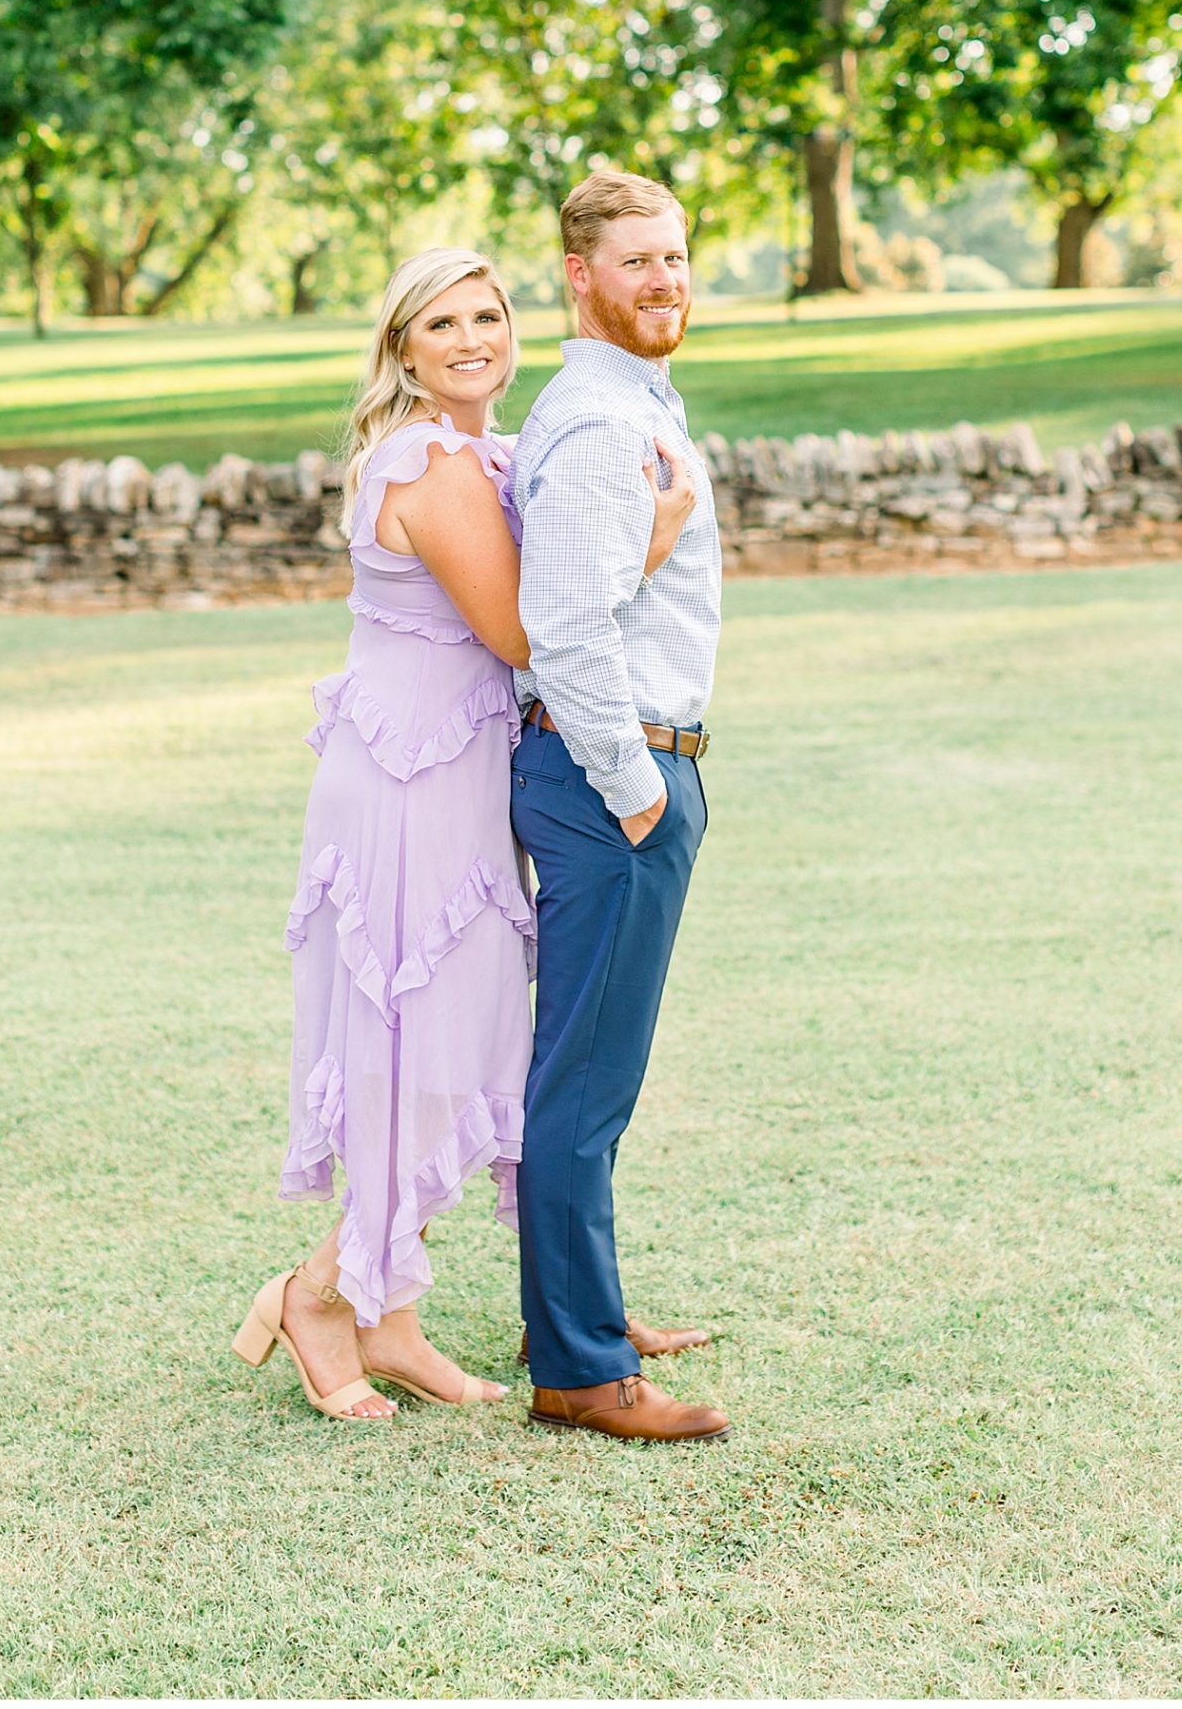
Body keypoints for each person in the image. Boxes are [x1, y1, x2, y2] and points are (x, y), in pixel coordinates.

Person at [234, 247, 693, 1422]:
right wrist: (653, 537)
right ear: (404, 350)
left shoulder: (487, 450)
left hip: (455, 771)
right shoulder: (429, 461)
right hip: (411, 782)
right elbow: (520, 631)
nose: (473, 336)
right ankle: (318, 1294)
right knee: (426, 1046)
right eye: (442, 322)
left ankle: (387, 1315)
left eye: (488, 313)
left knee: (453, 1046)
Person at [509, 170, 730, 1442]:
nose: (666, 278)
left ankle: (585, 1310)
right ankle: (582, 1370)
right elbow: (569, 631)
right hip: (614, 781)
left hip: (631, 769)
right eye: (636, 260)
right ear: (580, 278)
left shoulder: (626, 399)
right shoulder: (600, 422)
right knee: (583, 1085)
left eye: (678, 254)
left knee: (595, 1074)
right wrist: (645, 795)